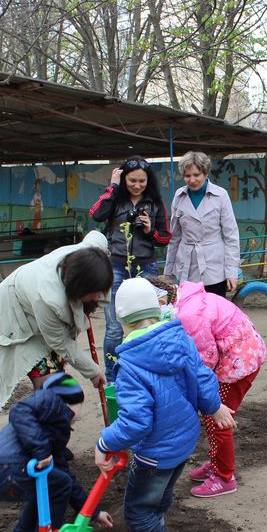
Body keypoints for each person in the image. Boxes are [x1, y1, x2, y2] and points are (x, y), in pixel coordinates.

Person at [94, 277, 236, 532]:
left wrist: (104, 443)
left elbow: (137, 422)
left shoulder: (130, 364)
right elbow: (203, 376)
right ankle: (157, 521)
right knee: (160, 495)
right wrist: (214, 406)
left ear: (121, 318)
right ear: (157, 309)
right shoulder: (180, 338)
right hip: (184, 442)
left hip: (155, 454)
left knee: (137, 512)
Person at [148, 278, 264, 498]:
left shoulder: (190, 315)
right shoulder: (185, 299)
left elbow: (204, 360)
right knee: (213, 415)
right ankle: (216, 461)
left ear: (162, 300)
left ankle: (224, 476)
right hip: (236, 354)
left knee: (217, 416)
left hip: (237, 363)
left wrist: (201, 395)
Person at [0, 373, 113, 532]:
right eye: (80, 406)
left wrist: (93, 513)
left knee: (49, 485)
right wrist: (41, 450)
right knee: (59, 484)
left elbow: (66, 475)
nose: (79, 417)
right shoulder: (52, 402)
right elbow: (19, 410)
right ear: (71, 401)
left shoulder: (50, 425)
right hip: (9, 467)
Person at [0, 231, 113, 416]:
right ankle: (41, 433)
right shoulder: (48, 299)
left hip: (41, 316)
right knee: (55, 391)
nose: (99, 297)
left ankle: (49, 427)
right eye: (94, 292)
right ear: (79, 287)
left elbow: (96, 236)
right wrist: (92, 370)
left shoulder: (90, 256)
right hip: (16, 319)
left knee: (57, 384)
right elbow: (60, 343)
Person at [90, 156, 171, 381]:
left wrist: (150, 231)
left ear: (148, 181)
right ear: (124, 178)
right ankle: (113, 379)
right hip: (115, 266)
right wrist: (113, 186)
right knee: (115, 327)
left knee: (150, 322)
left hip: (146, 267)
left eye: (142, 181)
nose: (137, 185)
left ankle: (147, 373)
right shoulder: (115, 198)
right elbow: (96, 214)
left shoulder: (155, 202)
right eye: (131, 180)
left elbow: (165, 238)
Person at [164, 151, 240, 298]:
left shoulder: (220, 196)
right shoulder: (179, 197)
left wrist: (232, 272)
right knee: (189, 313)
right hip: (187, 266)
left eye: (196, 175)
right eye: (187, 176)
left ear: (205, 173)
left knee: (214, 312)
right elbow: (175, 238)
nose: (192, 180)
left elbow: (231, 236)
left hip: (214, 266)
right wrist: (168, 272)